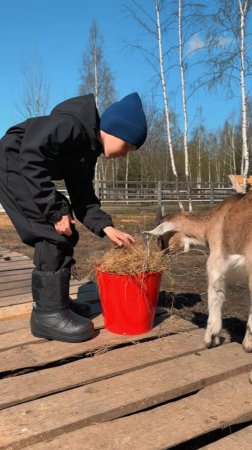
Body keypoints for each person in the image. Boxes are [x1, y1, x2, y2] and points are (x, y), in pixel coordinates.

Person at [0, 92, 147, 343]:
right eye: (129, 146)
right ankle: (47, 315)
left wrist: (106, 228)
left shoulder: (87, 151)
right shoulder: (70, 125)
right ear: (115, 130)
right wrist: (55, 210)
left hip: (24, 169)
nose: (126, 153)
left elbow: (83, 196)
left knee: (67, 231)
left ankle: (57, 302)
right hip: (13, 164)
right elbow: (30, 156)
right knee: (52, 231)